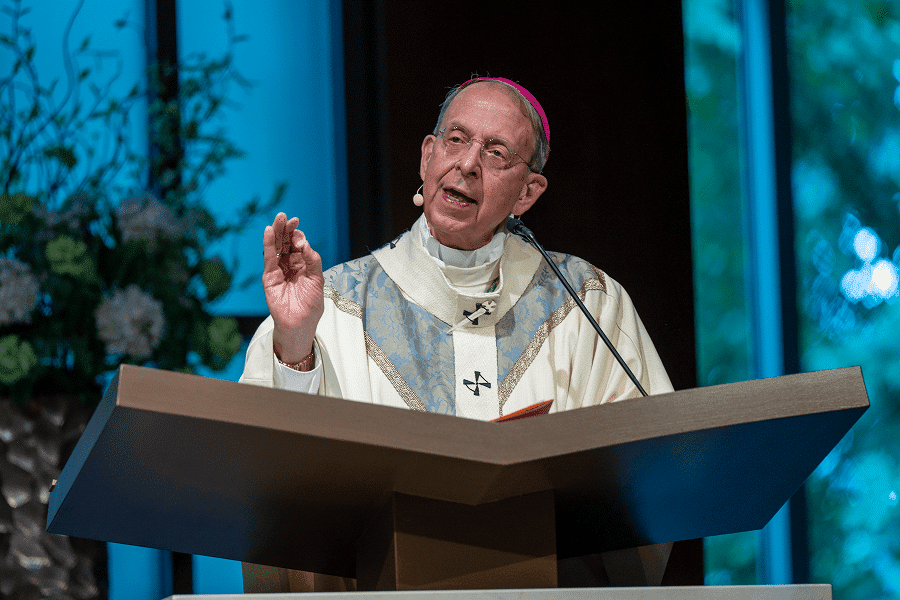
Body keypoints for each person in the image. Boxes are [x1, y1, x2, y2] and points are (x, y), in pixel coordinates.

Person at [240, 77, 672, 419]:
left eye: (496, 153)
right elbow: (272, 467)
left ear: (527, 193)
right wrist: (295, 344)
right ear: (428, 157)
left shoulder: (588, 305)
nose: (467, 164)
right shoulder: (333, 307)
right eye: (456, 139)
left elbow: (646, 465)